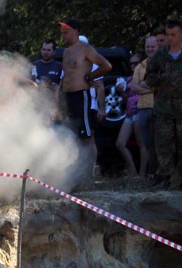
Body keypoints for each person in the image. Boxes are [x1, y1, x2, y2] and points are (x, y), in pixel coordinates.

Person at [59, 19, 112, 184]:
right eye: (62, 32)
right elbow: (65, 78)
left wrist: (90, 76)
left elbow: (106, 66)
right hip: (68, 96)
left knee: (87, 137)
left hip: (81, 96)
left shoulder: (86, 49)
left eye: (66, 31)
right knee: (72, 136)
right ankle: (75, 173)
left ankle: (89, 175)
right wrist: (59, 99)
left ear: (76, 31)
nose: (63, 35)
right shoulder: (66, 52)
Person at [145, 19, 182, 192]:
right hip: (163, 108)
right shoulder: (160, 55)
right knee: (163, 144)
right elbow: (149, 77)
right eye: (167, 34)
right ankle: (163, 178)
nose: (169, 38)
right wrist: (162, 78)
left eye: (173, 34)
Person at [114, 54, 148, 177]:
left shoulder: (145, 75)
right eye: (131, 64)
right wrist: (122, 92)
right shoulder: (129, 79)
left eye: (135, 63)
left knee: (141, 143)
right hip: (129, 113)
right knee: (120, 143)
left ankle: (142, 174)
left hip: (140, 110)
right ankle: (133, 171)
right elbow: (127, 98)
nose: (133, 66)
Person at [131, 36, 159, 175]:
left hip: (157, 109)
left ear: (157, 47)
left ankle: (159, 175)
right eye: (148, 46)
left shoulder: (162, 64)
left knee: (158, 144)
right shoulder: (140, 66)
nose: (150, 49)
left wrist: (142, 85)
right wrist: (151, 89)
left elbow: (161, 86)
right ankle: (148, 174)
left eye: (152, 46)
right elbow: (134, 88)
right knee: (146, 144)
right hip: (142, 109)